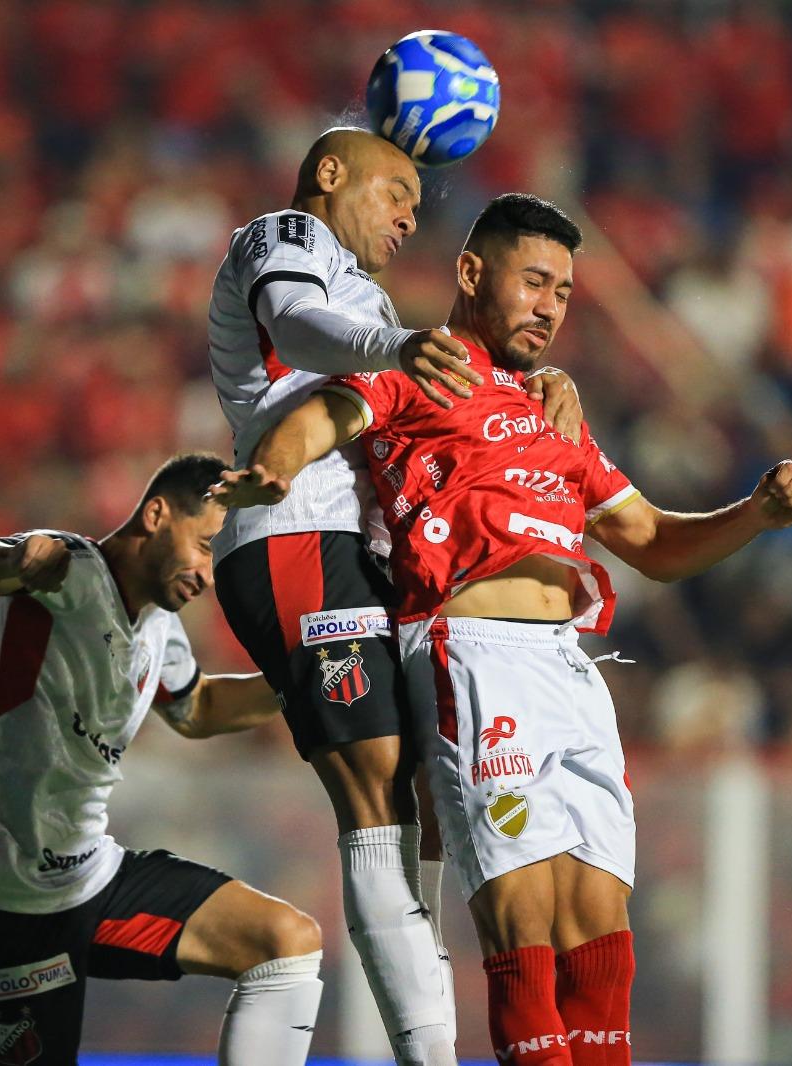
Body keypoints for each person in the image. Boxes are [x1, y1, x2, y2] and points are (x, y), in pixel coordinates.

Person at [214, 192, 792, 1066]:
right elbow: (325, 416)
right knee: (523, 923)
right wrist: (272, 466)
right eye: (534, 280)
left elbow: (648, 539)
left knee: (599, 929)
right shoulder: (421, 369)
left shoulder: (553, 412)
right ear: (471, 272)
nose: (549, 307)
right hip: (472, 656)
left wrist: (755, 514)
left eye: (564, 292)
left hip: (569, 666)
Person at [208, 125, 584, 1066]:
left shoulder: (370, 298)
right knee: (374, 800)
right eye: (396, 192)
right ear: (331, 176)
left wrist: (535, 379)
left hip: (362, 554)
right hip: (298, 536)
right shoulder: (282, 239)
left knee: (414, 801)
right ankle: (428, 1056)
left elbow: (415, 395)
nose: (412, 215)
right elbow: (298, 327)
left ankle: (427, 1043)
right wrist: (393, 342)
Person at [0, 453, 325, 1066]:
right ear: (157, 514)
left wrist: (302, 675)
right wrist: (12, 558)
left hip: (90, 878)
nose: (210, 574)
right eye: (205, 544)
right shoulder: (65, 569)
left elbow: (199, 708)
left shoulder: (160, 624)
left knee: (284, 941)